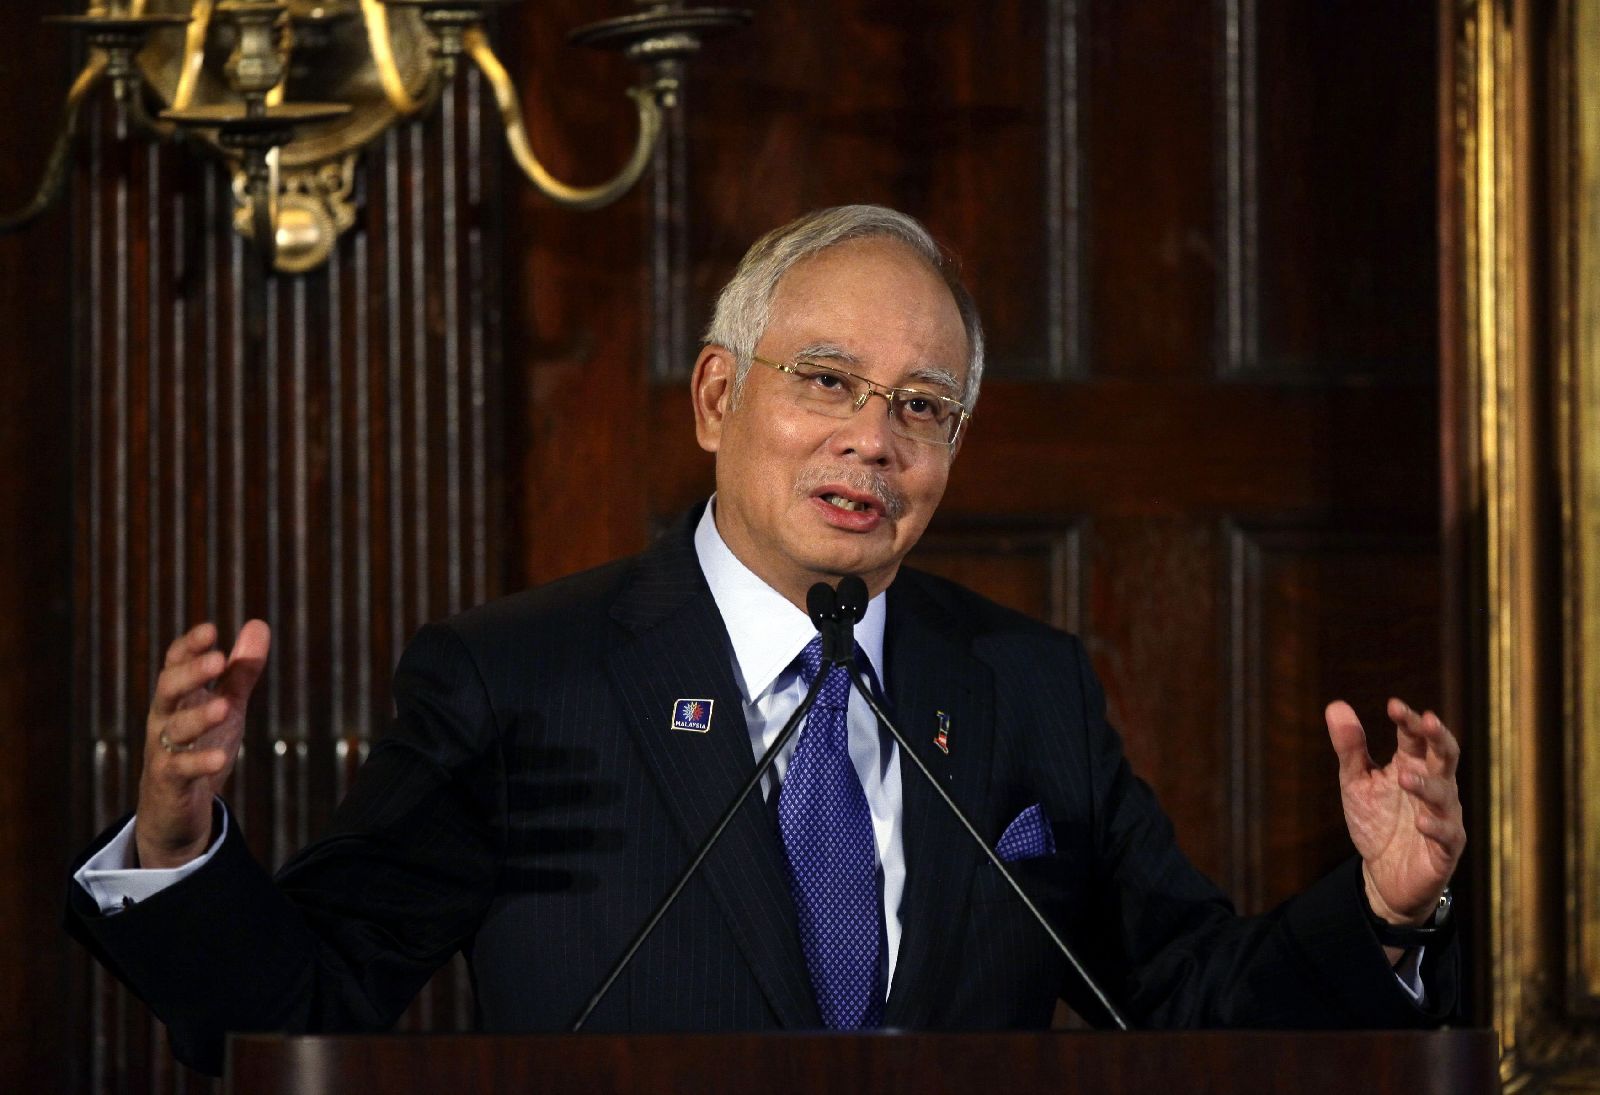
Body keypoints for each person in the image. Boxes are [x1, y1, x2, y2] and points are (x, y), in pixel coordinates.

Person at [67, 205, 1465, 1076]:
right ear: (716, 398)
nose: (873, 438)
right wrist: (180, 847)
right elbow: (310, 1005)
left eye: (922, 407)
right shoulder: (523, 679)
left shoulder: (1026, 686)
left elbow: (1192, 1003)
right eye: (828, 381)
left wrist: (1385, 914)